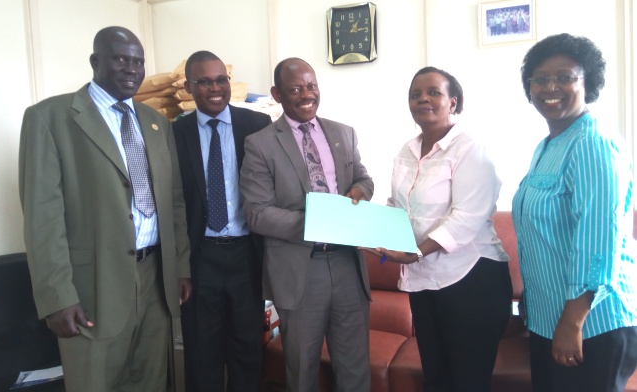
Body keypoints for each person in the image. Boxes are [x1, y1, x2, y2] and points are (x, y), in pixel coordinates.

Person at [18, 26, 191, 391]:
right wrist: (56, 297)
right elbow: (42, 217)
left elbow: (173, 201)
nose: (132, 68)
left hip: (155, 280)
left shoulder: (157, 123)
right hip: (92, 286)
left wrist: (181, 267)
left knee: (150, 381)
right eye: (121, 59)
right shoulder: (50, 118)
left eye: (139, 61)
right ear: (96, 61)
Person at [365, 66, 512, 392]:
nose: (423, 99)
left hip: (471, 279)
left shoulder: (471, 149)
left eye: (433, 92)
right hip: (424, 281)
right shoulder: (407, 150)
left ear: (453, 103)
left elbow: (465, 218)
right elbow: (398, 206)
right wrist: (371, 231)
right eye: (415, 94)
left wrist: (415, 252)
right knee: (435, 376)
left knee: (467, 381)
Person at [239, 57, 374, 392]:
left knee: (355, 369)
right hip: (300, 271)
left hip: (347, 265)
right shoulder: (260, 144)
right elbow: (257, 213)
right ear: (277, 93)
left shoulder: (343, 132)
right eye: (295, 88)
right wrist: (316, 222)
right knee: (301, 372)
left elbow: (364, 180)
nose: (306, 94)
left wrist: (359, 191)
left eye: (311, 86)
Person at [512, 33, 637, 392]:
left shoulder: (593, 143)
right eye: (540, 78)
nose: (551, 86)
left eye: (565, 76)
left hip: (591, 324)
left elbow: (599, 240)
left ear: (588, 83)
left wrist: (573, 321)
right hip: (550, 319)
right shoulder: (548, 145)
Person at [172, 50, 272, 392]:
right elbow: (172, 203)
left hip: (247, 255)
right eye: (204, 82)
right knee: (202, 354)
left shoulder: (256, 126)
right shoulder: (175, 134)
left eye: (221, 80)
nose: (215, 88)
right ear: (188, 87)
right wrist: (180, 267)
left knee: (247, 351)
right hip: (201, 259)